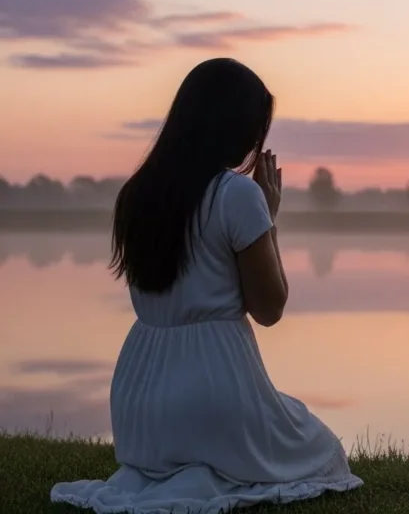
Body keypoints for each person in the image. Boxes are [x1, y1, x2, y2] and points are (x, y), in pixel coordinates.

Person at [51, 58, 364, 513]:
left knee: (260, 435)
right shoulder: (236, 194)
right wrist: (268, 221)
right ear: (238, 129)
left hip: (138, 404)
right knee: (323, 449)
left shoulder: (135, 195)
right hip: (215, 392)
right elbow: (270, 308)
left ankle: (176, 464)